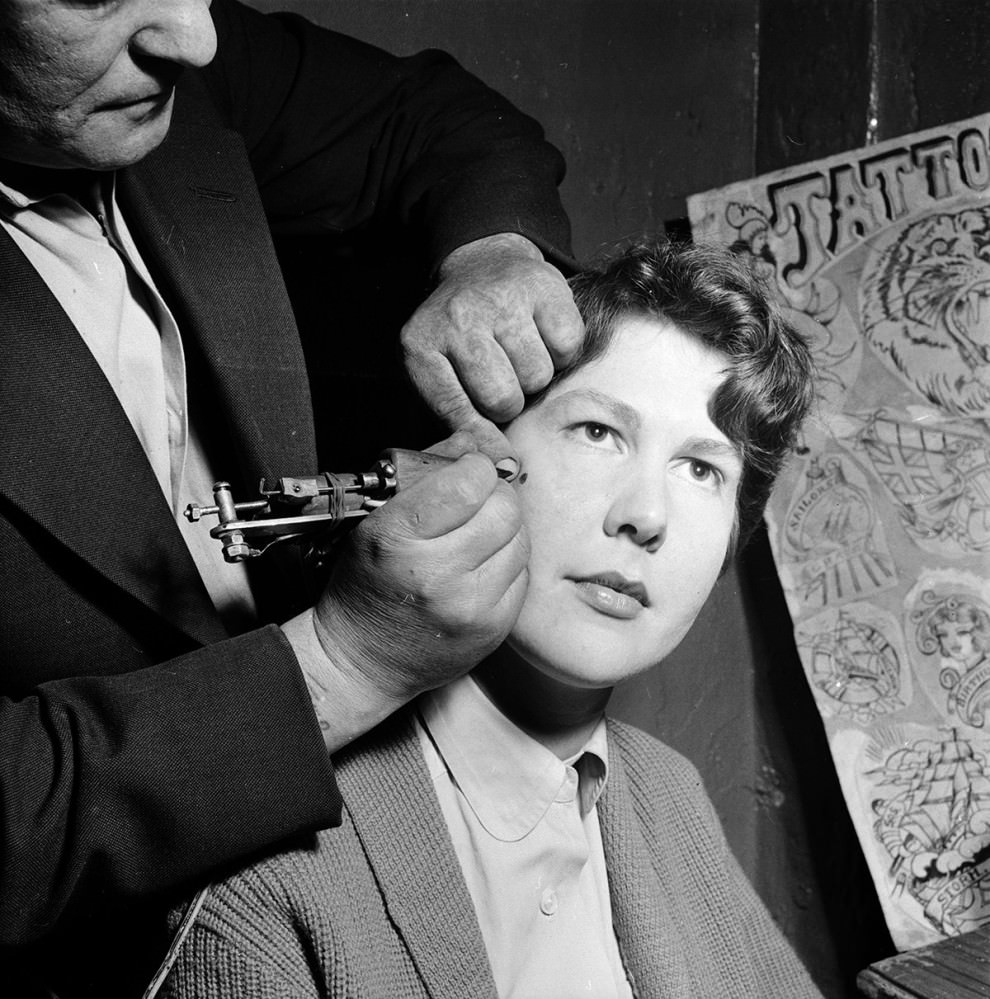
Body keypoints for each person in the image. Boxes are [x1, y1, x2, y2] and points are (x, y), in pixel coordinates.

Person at [0, 0, 584, 995]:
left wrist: (492, 256)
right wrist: (345, 662)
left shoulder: (177, 65)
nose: (195, 38)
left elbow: (434, 118)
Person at [161, 238, 826, 999]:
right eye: (598, 432)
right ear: (469, 450)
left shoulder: (668, 793)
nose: (645, 515)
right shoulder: (267, 873)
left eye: (702, 469)